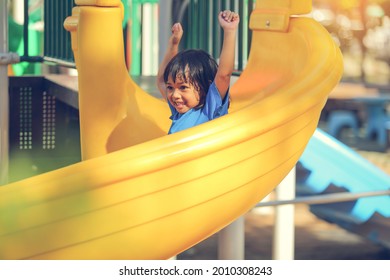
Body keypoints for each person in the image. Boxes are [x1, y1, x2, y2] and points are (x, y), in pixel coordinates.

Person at [157, 10, 240, 134]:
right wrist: (173, 44)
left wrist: (230, 31)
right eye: (170, 87)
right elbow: (161, 81)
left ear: (204, 87)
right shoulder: (179, 112)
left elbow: (224, 75)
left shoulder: (209, 110)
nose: (174, 95)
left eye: (183, 87)